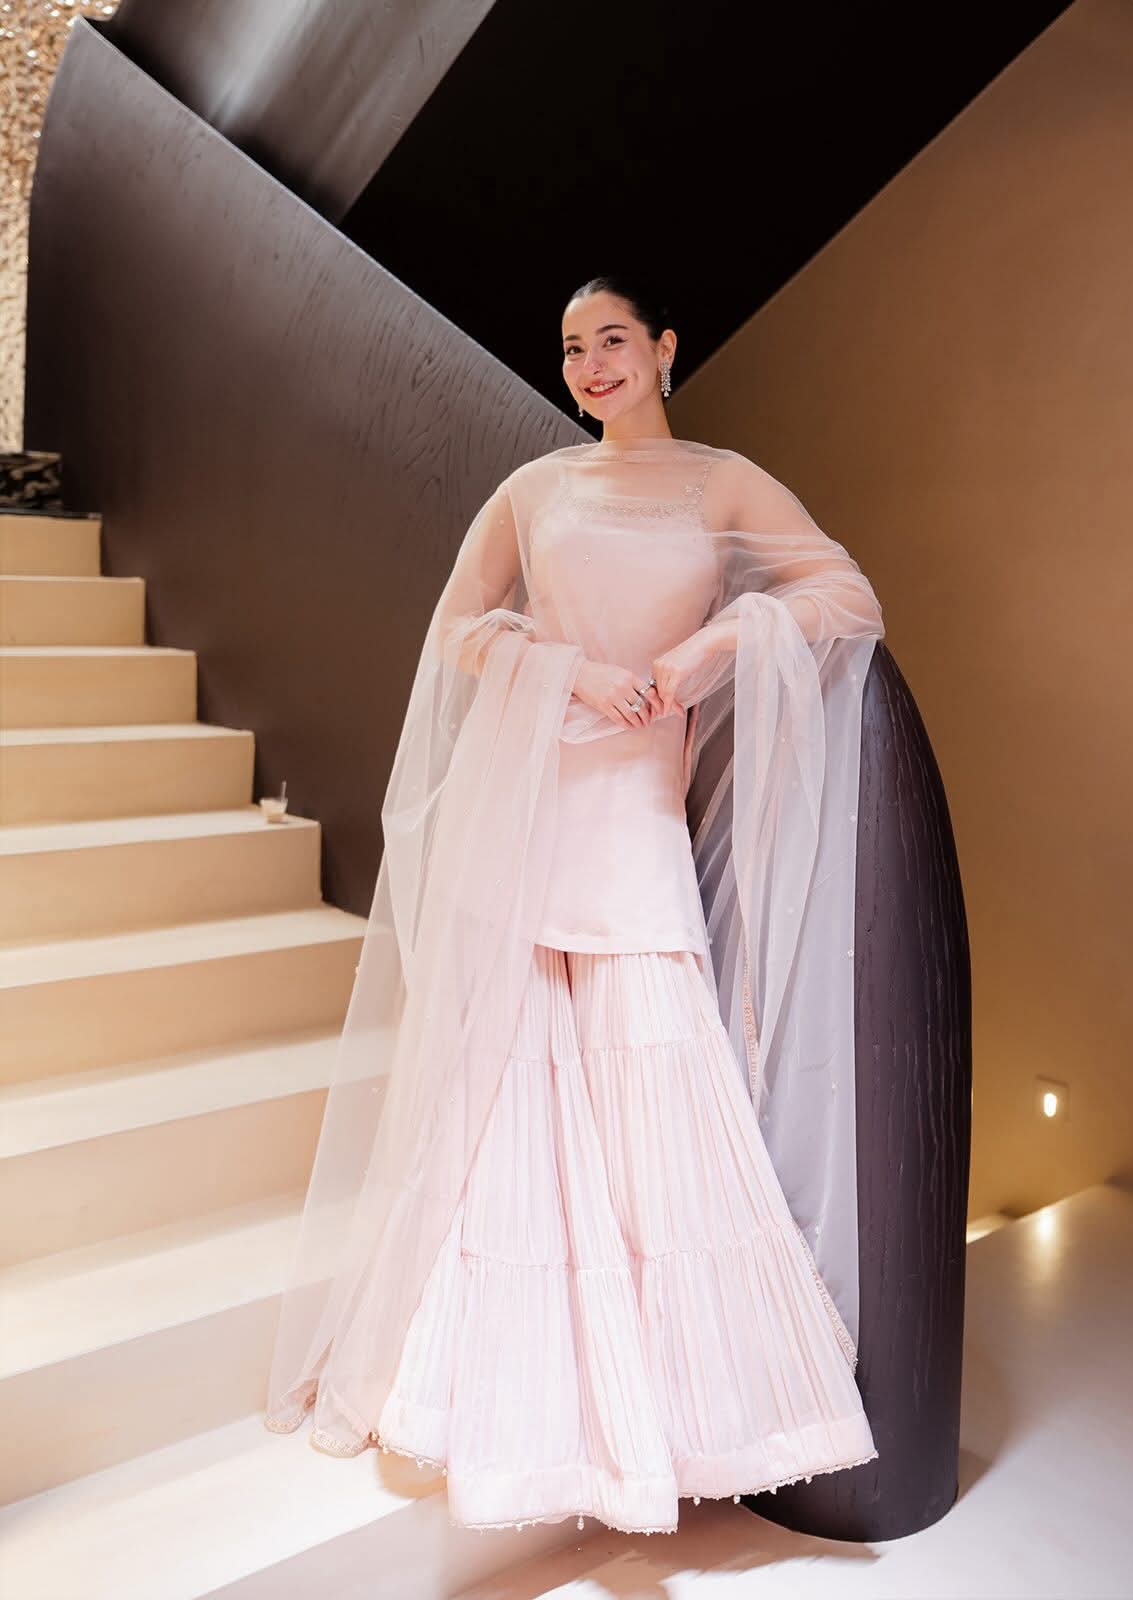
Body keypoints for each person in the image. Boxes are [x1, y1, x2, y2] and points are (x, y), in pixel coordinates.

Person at [264, 275, 886, 1537]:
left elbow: (846, 597)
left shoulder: (723, 484)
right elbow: (458, 630)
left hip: (640, 821)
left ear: (665, 348)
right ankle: (515, 1411)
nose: (593, 365)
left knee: (656, 1075)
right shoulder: (533, 490)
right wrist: (570, 673)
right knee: (517, 1094)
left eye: (614, 340)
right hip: (536, 811)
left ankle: (679, 1414)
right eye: (571, 349)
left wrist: (711, 648)